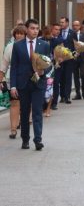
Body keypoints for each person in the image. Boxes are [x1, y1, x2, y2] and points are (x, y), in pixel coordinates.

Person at [10, 19, 50, 150]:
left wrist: (43, 70)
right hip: (23, 84)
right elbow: (14, 67)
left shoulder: (44, 44)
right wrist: (13, 86)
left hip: (38, 83)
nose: (35, 31)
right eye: (32, 28)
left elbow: (49, 64)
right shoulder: (18, 45)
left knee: (38, 111)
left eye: (37, 28)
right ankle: (25, 139)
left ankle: (38, 140)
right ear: (27, 29)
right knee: (25, 112)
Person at [0, 25, 26, 139]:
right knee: (14, 103)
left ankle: (25, 125)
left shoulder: (29, 46)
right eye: (17, 33)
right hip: (12, 78)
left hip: (27, 78)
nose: (19, 35)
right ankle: (13, 129)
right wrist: (1, 79)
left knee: (25, 104)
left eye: (21, 33)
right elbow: (4, 64)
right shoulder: (10, 47)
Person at [72, 20, 84, 100]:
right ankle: (78, 94)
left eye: (77, 25)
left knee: (83, 76)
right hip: (75, 59)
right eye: (74, 25)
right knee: (76, 77)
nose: (75, 27)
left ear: (80, 26)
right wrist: (74, 53)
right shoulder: (71, 35)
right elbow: (69, 46)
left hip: (83, 58)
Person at [59, 17, 75, 104]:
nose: (61, 24)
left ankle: (67, 96)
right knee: (61, 78)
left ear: (67, 23)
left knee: (68, 77)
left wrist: (74, 54)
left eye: (63, 22)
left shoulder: (72, 33)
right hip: (60, 59)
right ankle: (62, 96)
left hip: (69, 59)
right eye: (60, 22)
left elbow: (75, 45)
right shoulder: (58, 33)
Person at [49, 23, 64, 110]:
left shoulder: (61, 40)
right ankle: (46, 103)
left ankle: (54, 103)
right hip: (48, 64)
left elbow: (63, 51)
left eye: (59, 30)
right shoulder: (48, 39)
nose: (57, 31)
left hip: (57, 65)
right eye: (56, 29)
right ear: (52, 29)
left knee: (56, 84)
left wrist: (61, 57)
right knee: (48, 84)